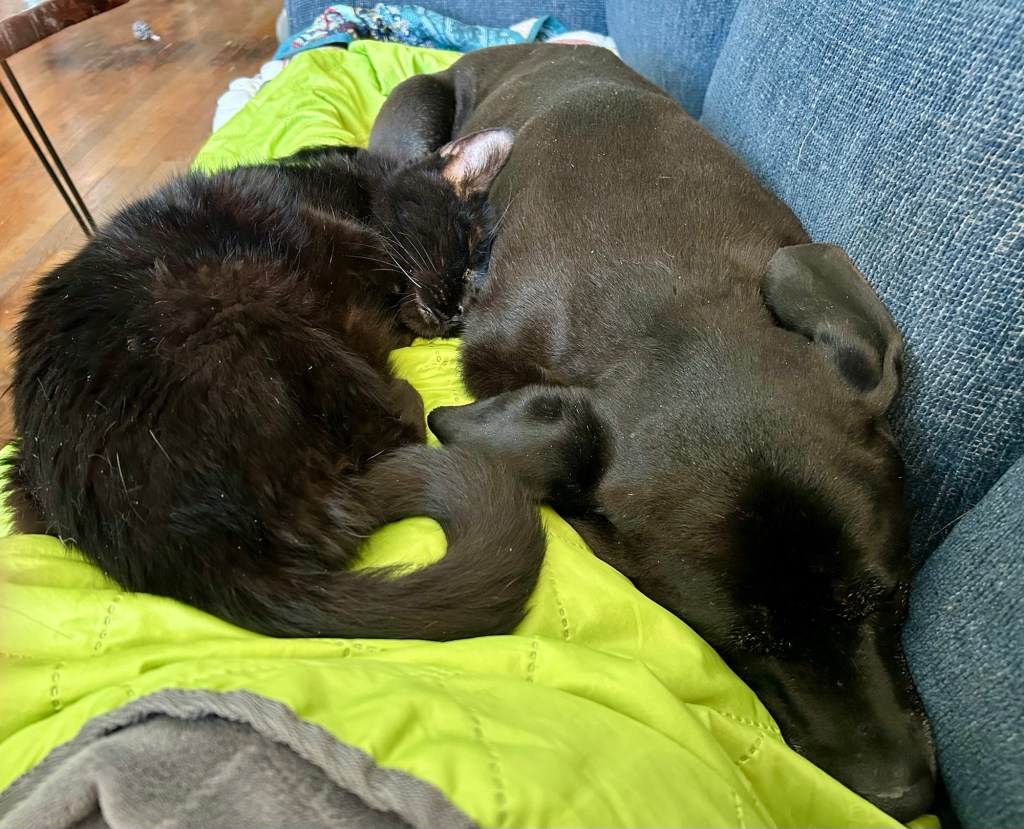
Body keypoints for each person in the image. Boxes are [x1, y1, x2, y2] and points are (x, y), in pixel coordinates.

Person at [281, 2, 1023, 824]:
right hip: (475, 97)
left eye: (879, 598)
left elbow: (808, 273)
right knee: (404, 136)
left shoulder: (798, 312)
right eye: (750, 642)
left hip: (603, 131)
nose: (893, 774)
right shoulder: (516, 326)